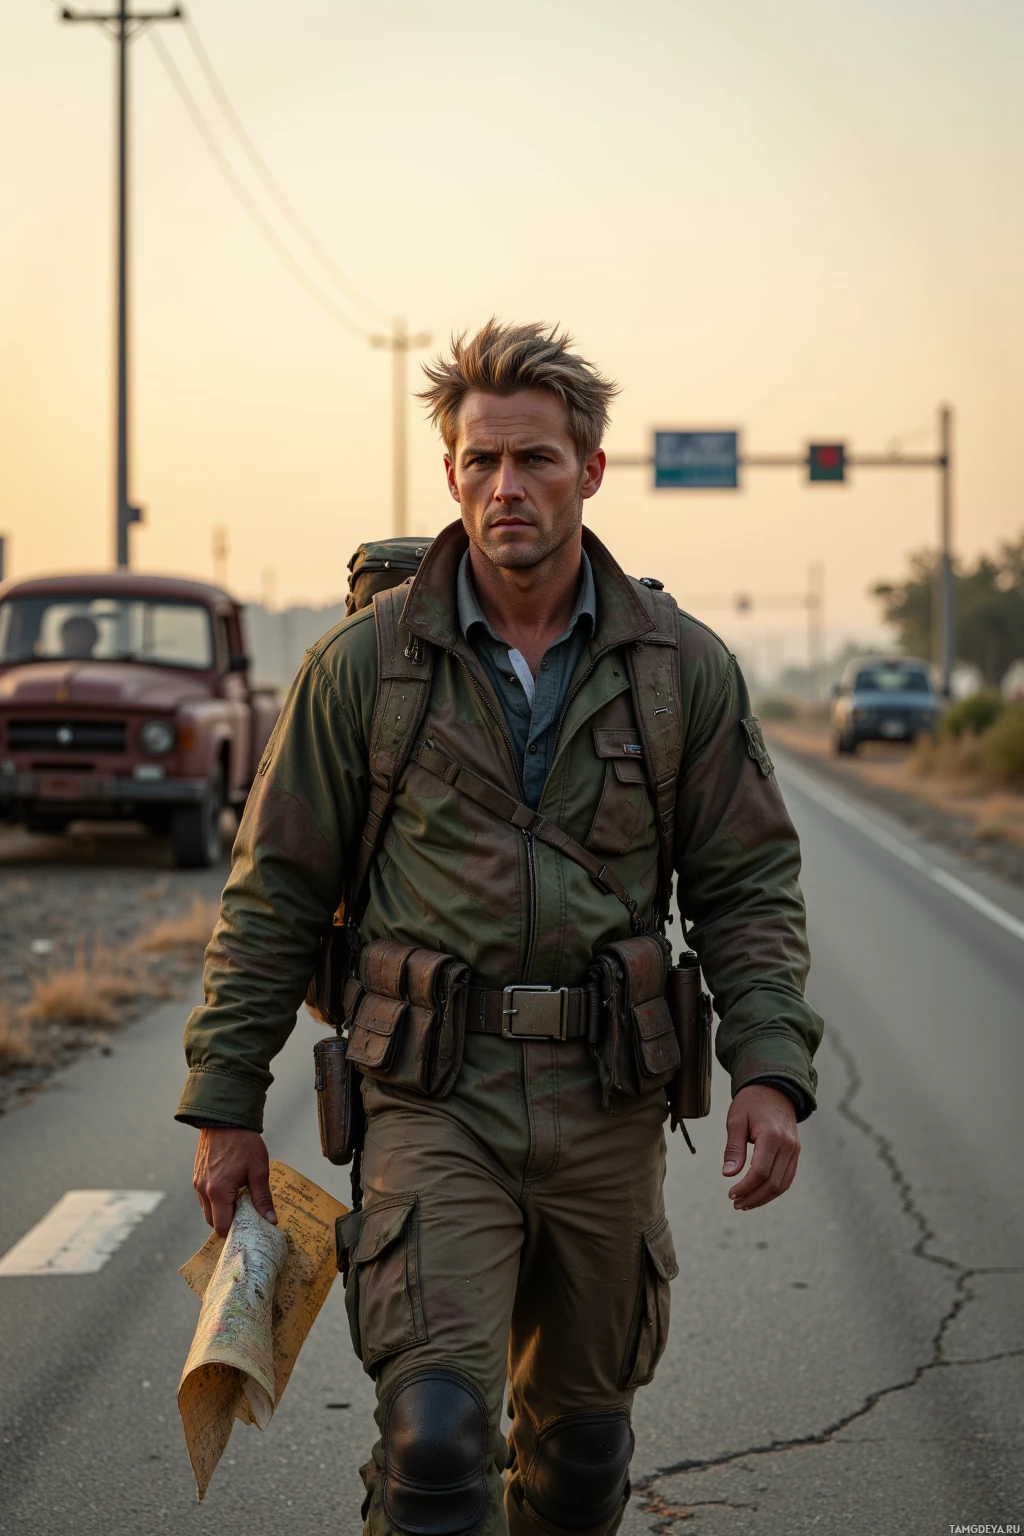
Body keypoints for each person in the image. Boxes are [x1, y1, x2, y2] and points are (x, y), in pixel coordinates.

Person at [177, 320, 823, 1536]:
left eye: (533, 460)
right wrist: (224, 1106)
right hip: (434, 1096)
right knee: (435, 1443)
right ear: (450, 473)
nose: (504, 486)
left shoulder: (679, 670)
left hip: (608, 1097)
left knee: (580, 1459)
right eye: (480, 462)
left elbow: (747, 886)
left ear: (589, 468)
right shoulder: (364, 668)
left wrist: (769, 1069)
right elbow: (268, 896)